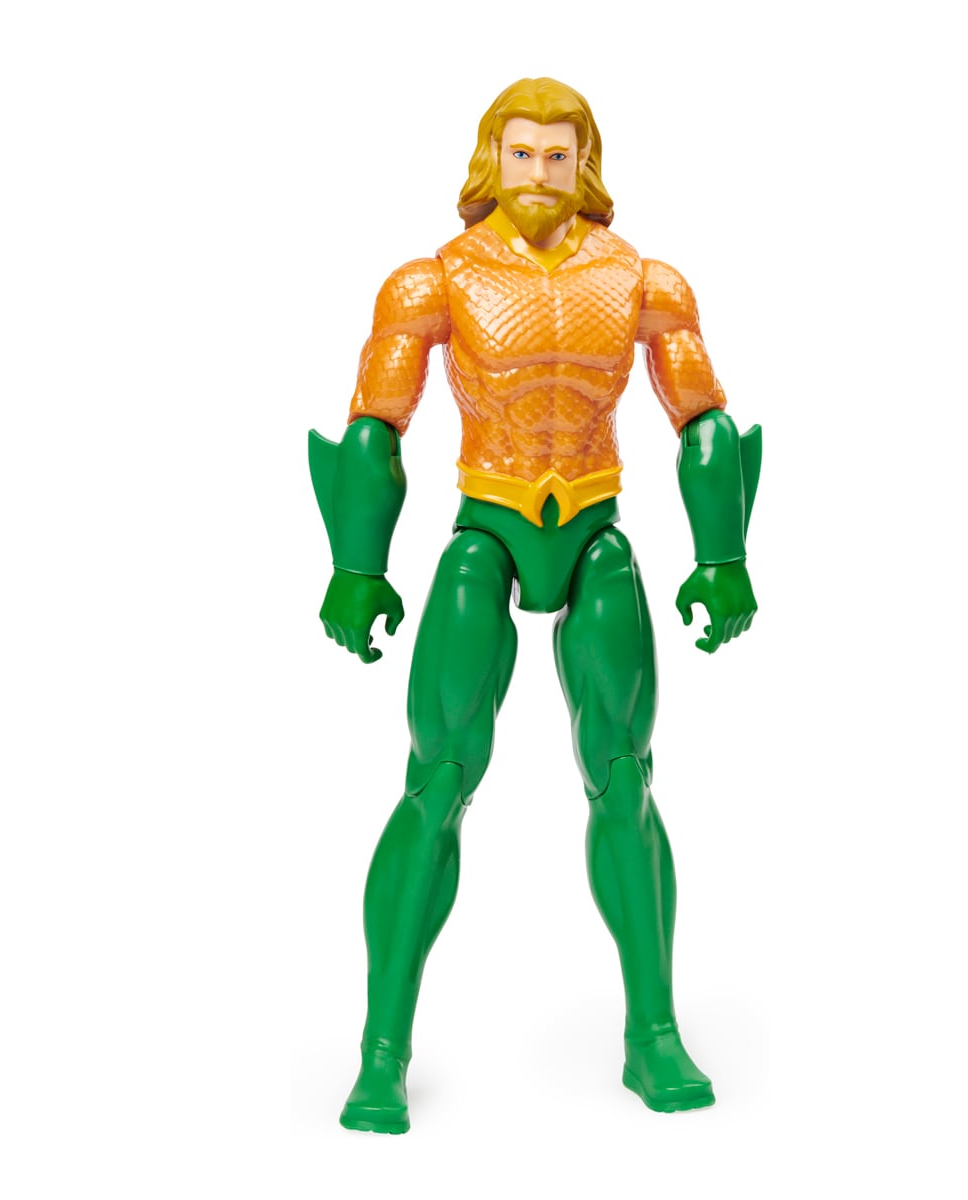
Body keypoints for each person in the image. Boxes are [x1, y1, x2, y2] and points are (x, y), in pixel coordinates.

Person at [310, 77, 760, 1134]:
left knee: (625, 775)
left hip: (596, 527)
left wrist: (724, 552)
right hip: (489, 526)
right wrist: (358, 565)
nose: (541, 175)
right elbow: (376, 423)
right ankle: (382, 1051)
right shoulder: (437, 279)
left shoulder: (640, 279)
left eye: (560, 156)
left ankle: (653, 1033)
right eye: (523, 155)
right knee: (437, 778)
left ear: (584, 164)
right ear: (493, 160)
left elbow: (703, 415)